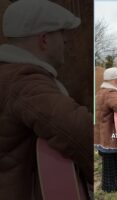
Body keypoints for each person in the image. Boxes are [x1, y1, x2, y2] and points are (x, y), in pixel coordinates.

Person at [0, 0, 92, 199]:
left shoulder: (7, 73)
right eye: (61, 36)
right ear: (44, 40)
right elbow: (78, 130)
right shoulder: (25, 81)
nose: (65, 43)